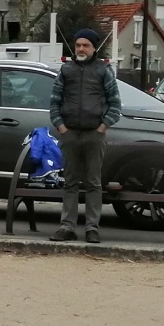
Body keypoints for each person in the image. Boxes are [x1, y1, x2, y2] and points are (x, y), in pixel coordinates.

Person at [48, 28, 121, 243]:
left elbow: (115, 103)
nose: (81, 48)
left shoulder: (104, 71)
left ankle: (92, 228)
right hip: (69, 133)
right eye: (78, 44)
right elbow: (54, 101)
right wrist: (61, 126)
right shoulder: (66, 70)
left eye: (85, 45)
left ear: (94, 48)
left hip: (94, 135)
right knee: (69, 182)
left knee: (93, 183)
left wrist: (102, 127)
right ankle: (67, 226)